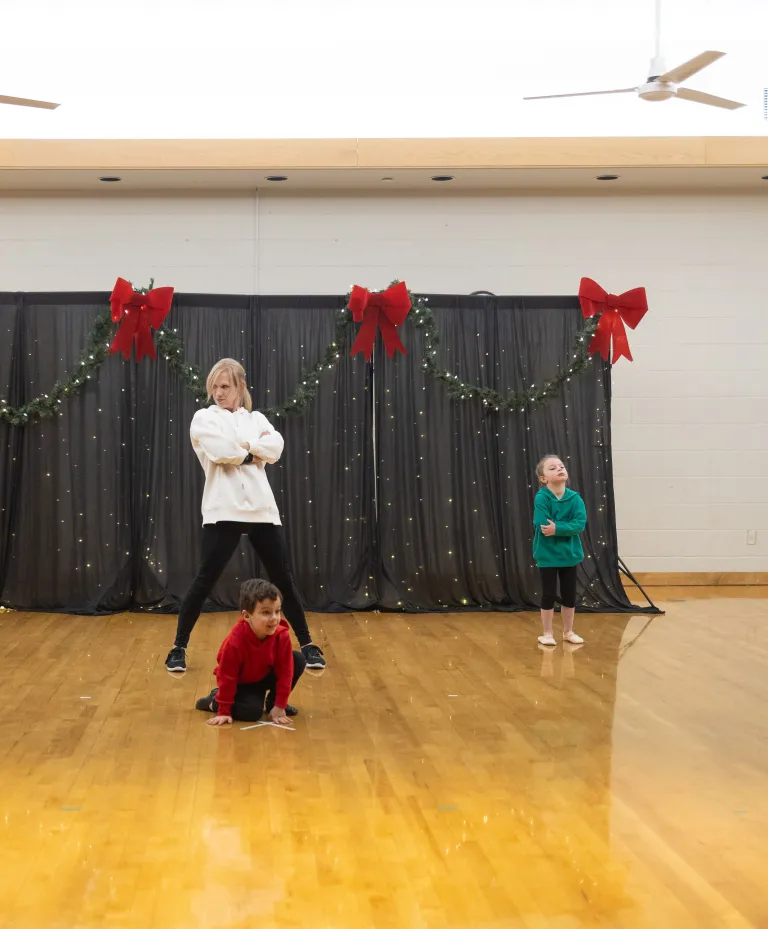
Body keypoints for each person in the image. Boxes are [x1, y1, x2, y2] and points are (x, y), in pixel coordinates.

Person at [165, 357, 325, 674]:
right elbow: (221, 452)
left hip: (262, 509)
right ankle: (178, 648)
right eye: (215, 387)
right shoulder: (203, 418)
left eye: (225, 386)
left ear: (240, 387)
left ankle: (307, 644)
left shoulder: (256, 419)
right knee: (204, 580)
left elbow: (276, 447)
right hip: (222, 509)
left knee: (284, 580)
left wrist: (247, 445)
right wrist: (253, 453)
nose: (219, 393)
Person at [196, 578, 305, 726]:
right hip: (243, 683)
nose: (274, 618)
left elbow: (285, 671)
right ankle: (214, 700)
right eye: (266, 612)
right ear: (247, 616)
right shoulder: (235, 641)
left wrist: (280, 705)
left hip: (264, 674)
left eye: (277, 611)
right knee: (251, 713)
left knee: (297, 659)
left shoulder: (282, 635)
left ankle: (272, 704)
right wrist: (224, 710)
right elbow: (227, 676)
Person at [532, 454, 586, 647]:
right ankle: (547, 633)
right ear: (543, 478)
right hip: (547, 555)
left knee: (569, 595)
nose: (559, 469)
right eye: (552, 468)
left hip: (569, 555)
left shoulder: (575, 499)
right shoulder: (542, 497)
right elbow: (543, 525)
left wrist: (558, 528)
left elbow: (579, 524)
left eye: (561, 466)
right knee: (548, 594)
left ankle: (568, 631)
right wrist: (563, 527)